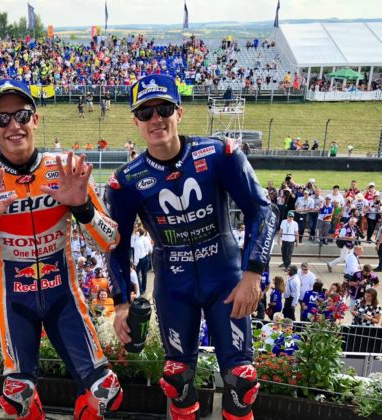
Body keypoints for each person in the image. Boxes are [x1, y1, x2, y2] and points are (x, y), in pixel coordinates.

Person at [0, 79, 123, 420]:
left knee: (105, 391)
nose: (14, 126)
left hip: (64, 296)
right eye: (2, 119)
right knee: (17, 397)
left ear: (35, 119)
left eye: (21, 115)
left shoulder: (66, 169)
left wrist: (82, 208)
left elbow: (109, 241)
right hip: (13, 302)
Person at [106, 75, 277, 420]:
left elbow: (262, 210)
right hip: (174, 286)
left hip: (226, 281)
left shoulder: (220, 153)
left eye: (164, 109)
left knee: (242, 381)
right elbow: (116, 245)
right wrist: (121, 303)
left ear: (179, 113)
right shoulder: (125, 181)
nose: (156, 119)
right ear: (136, 122)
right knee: (176, 378)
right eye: (146, 113)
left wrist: (253, 274)